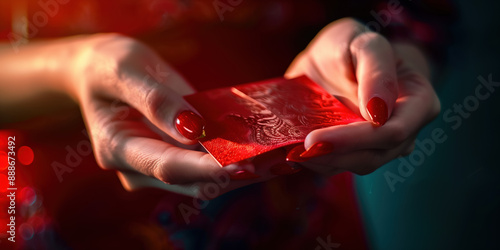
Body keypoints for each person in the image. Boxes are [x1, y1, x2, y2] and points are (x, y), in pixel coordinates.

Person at [0, 0, 454, 248]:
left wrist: (390, 66)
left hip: (290, 199)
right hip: (56, 209)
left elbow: (415, 11)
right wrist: (75, 67)